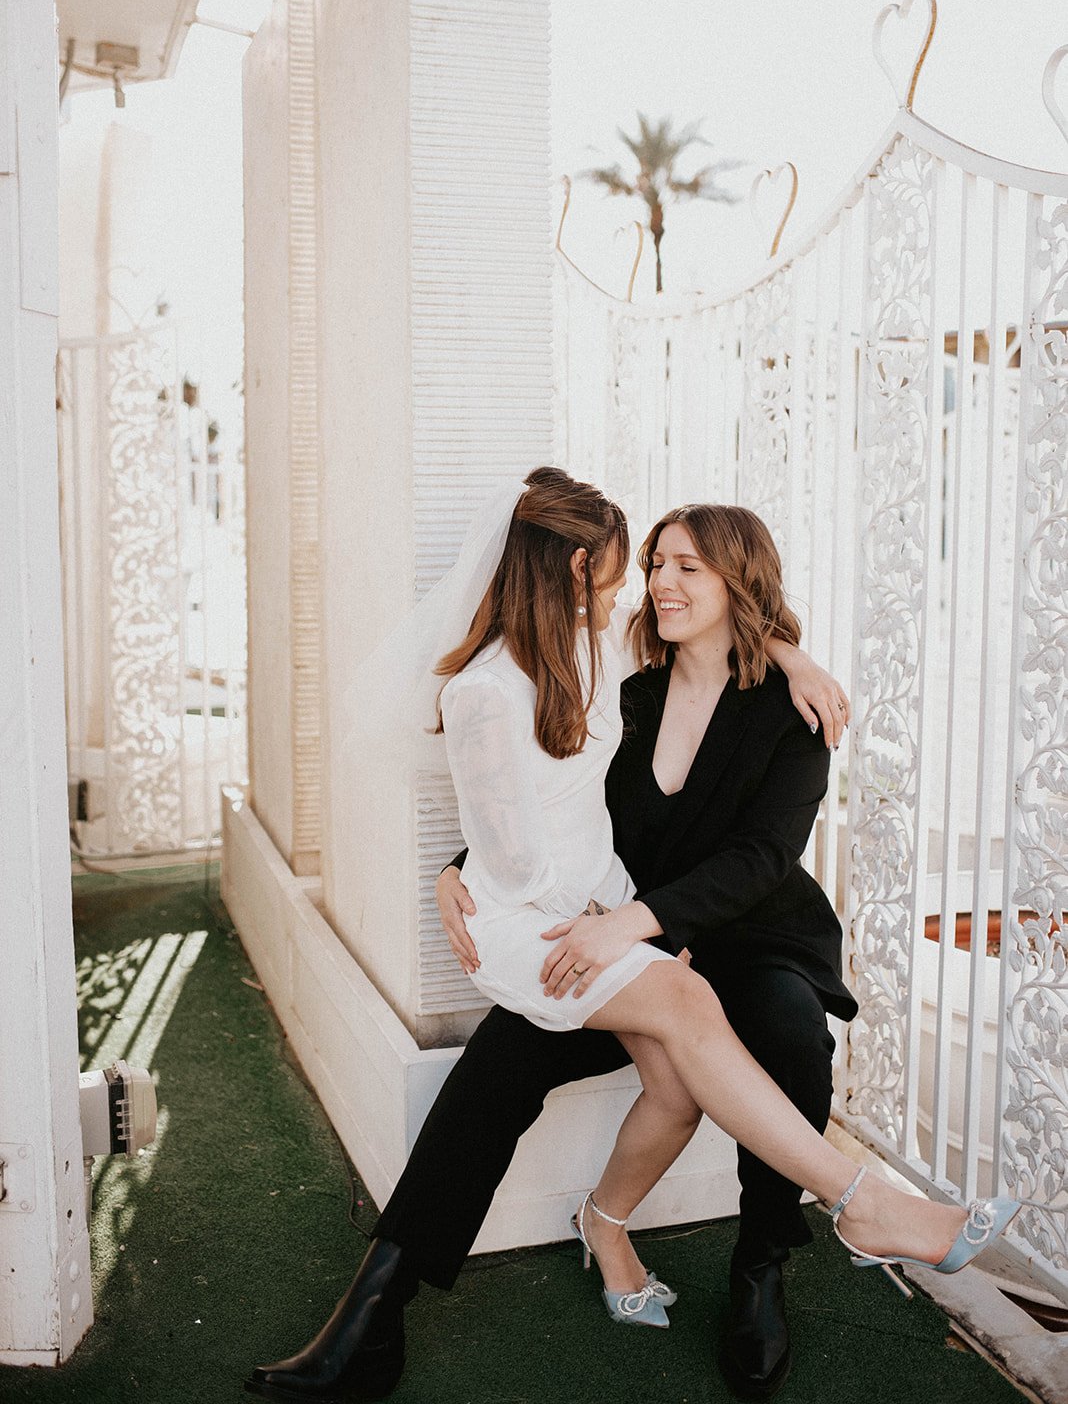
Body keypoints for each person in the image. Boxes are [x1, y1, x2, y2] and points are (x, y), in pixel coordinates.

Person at [246, 470, 1018, 1404]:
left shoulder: (793, 709)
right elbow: (546, 794)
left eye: (689, 566)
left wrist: (791, 656)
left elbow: (762, 858)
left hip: (741, 935)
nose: (659, 582)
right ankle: (378, 1306)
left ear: (739, 579)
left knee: (790, 1033)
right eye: (655, 563)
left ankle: (761, 1267)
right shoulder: (625, 679)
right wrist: (460, 868)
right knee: (498, 1066)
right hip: (617, 936)